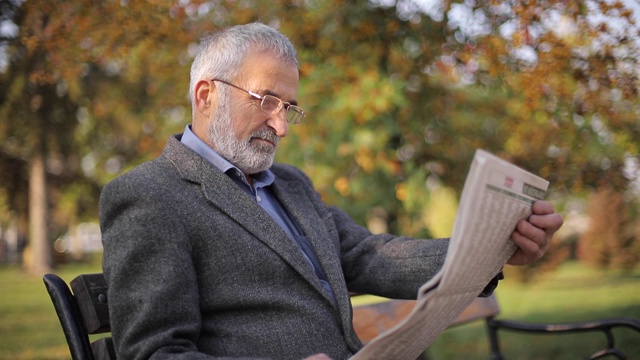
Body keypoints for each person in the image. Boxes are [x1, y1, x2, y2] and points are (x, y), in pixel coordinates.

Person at [100, 22, 563, 360]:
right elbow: (154, 353)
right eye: (266, 101)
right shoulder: (148, 196)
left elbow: (367, 256)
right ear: (206, 95)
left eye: (289, 108)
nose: (281, 124)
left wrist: (491, 250)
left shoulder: (291, 185)